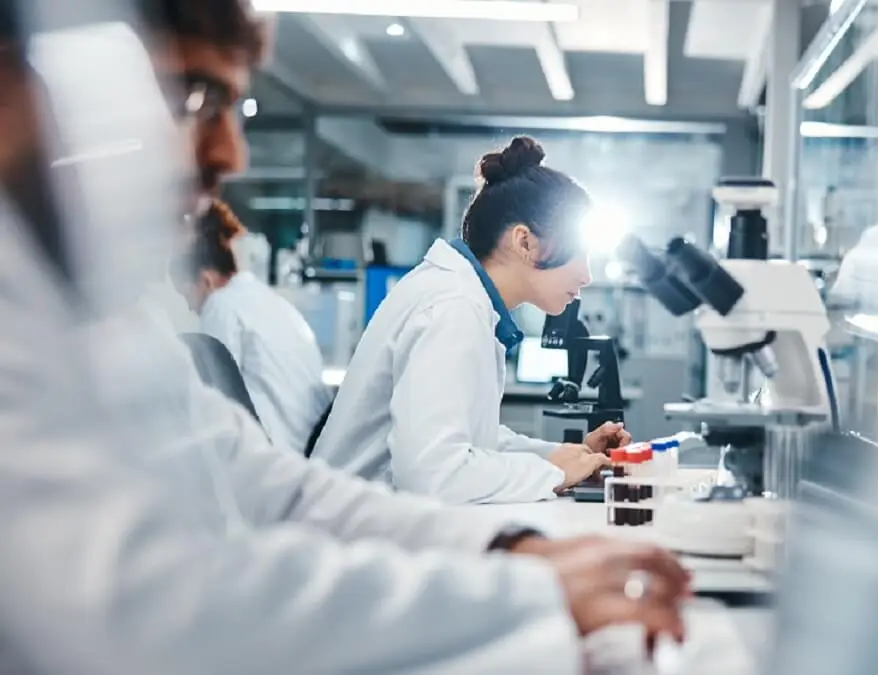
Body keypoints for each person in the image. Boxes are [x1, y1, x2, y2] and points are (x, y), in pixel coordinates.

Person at [0, 2, 688, 673]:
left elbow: (277, 491)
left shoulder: (108, 317)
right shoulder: (450, 306)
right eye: (193, 97)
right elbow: (140, 612)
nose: (230, 151)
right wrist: (527, 585)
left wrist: (519, 550)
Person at [312, 136, 631, 504]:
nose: (587, 276)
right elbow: (432, 474)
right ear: (524, 242)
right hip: (352, 532)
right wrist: (555, 474)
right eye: (581, 254)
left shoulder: (463, 298)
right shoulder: (452, 306)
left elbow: (469, 441)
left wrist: (562, 456)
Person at [174, 198, 333, 452]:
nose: (191, 307)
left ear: (205, 280)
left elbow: (211, 396)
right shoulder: (265, 299)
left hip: (278, 450)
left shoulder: (221, 304)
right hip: (306, 447)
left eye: (187, 297)